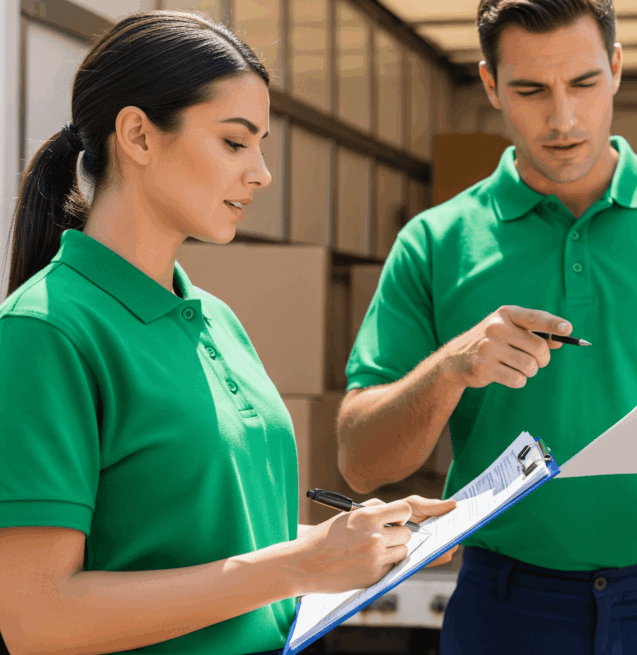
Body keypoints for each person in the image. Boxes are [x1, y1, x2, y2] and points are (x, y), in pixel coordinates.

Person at [337, 0, 637, 652]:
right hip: (506, 614)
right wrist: (453, 366)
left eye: (583, 83)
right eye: (531, 90)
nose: (563, 119)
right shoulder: (434, 242)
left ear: (615, 69)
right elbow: (361, 462)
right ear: (490, 85)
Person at [0, 11, 455, 654]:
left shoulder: (216, 318)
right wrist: (298, 566)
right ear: (138, 134)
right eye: (236, 143)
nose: (262, 173)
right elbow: (35, 620)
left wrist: (359, 543)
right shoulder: (46, 331)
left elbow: (224, 541)